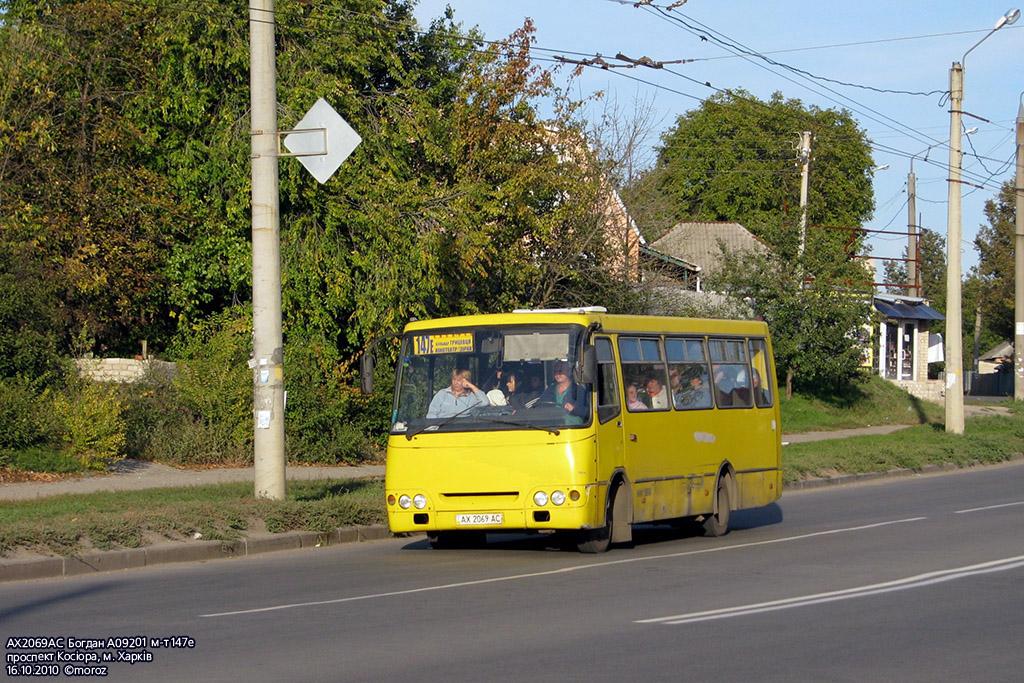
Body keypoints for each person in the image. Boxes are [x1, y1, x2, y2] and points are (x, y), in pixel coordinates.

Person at [538, 360, 590, 425]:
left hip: (573, 428)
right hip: (553, 427)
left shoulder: (578, 390)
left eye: (560, 371)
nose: (557, 374)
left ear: (569, 372)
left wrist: (574, 409)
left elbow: (588, 412)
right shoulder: (550, 390)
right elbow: (540, 405)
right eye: (555, 371)